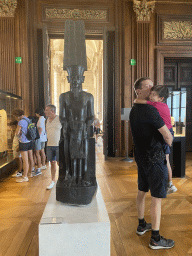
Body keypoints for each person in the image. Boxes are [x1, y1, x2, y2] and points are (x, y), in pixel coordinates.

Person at [129, 77, 174, 249]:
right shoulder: (150, 111)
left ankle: (142, 225)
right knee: (156, 198)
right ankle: (155, 238)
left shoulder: (135, 109)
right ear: (139, 90)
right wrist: (168, 143)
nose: (151, 88)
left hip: (141, 158)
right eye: (148, 87)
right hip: (155, 159)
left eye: (152, 86)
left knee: (142, 191)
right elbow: (168, 135)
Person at [134, 85, 177, 195]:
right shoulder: (162, 105)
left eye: (153, 95)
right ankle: (169, 184)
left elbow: (138, 101)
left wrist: (137, 99)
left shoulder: (157, 105)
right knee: (165, 159)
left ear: (161, 98)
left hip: (167, 133)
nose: (150, 96)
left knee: (166, 159)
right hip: (166, 131)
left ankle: (170, 184)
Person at [12, 109, 35, 182]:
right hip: (30, 141)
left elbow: (17, 133)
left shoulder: (21, 121)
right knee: (30, 158)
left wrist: (16, 132)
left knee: (25, 160)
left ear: (17, 116)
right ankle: (30, 173)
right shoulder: (27, 119)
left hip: (23, 142)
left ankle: (25, 176)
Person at [45, 104, 62, 189]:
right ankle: (52, 180)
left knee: (60, 163)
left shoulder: (59, 119)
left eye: (47, 110)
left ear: (52, 111)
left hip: (59, 145)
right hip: (49, 145)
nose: (45, 112)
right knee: (52, 163)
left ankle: (62, 179)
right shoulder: (47, 120)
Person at [33, 108, 47, 176]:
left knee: (37, 153)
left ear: (38, 113)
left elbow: (40, 128)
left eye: (36, 113)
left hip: (40, 138)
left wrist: (37, 136)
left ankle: (40, 167)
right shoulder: (43, 118)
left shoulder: (41, 119)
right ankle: (43, 165)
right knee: (42, 151)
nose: (35, 114)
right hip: (43, 138)